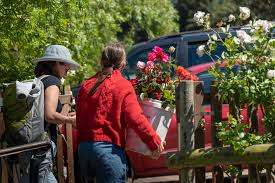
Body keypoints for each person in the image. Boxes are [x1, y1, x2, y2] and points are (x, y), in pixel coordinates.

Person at [76, 42, 165, 183]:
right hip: (107, 152)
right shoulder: (123, 85)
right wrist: (153, 141)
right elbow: (135, 118)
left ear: (101, 62)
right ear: (122, 63)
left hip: (83, 151)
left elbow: (79, 120)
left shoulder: (85, 85)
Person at [20, 44, 80, 183]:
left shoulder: (39, 81)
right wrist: (71, 120)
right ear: (56, 64)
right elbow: (50, 115)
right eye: (65, 64)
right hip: (41, 147)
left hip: (29, 145)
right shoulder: (52, 82)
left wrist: (65, 117)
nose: (68, 68)